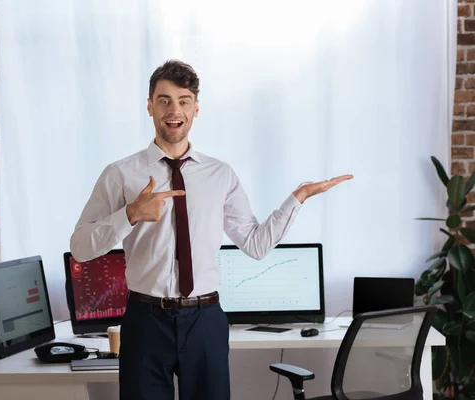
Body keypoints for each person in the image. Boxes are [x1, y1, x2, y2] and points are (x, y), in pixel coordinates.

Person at [70, 60, 353, 400]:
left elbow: (255, 244)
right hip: (145, 321)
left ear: (196, 107)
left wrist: (298, 197)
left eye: (184, 100)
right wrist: (130, 214)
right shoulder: (120, 174)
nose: (174, 110)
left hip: (204, 320)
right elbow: (81, 248)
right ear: (149, 106)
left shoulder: (220, 175)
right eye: (164, 100)